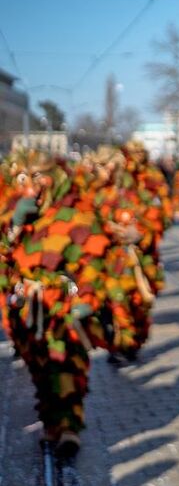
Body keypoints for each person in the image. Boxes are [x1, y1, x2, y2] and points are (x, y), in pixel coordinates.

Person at [0, 149, 110, 455]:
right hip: (27, 305)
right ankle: (52, 423)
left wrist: (87, 297)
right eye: (25, 177)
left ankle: (69, 428)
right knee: (40, 366)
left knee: (66, 363)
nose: (32, 185)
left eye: (38, 176)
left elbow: (92, 258)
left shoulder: (76, 213)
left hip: (62, 303)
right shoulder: (12, 211)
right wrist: (13, 226)